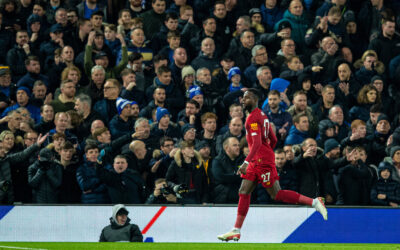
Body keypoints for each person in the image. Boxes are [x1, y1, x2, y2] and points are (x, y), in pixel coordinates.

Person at [217, 89, 327, 242]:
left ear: (255, 99)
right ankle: (236, 230)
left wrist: (246, 162)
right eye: (242, 98)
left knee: (276, 194)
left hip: (260, 161)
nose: (242, 100)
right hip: (259, 159)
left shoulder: (253, 118)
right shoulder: (263, 115)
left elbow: (255, 143)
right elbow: (273, 139)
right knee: (243, 191)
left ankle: (314, 202)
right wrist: (265, 151)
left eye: (246, 98)